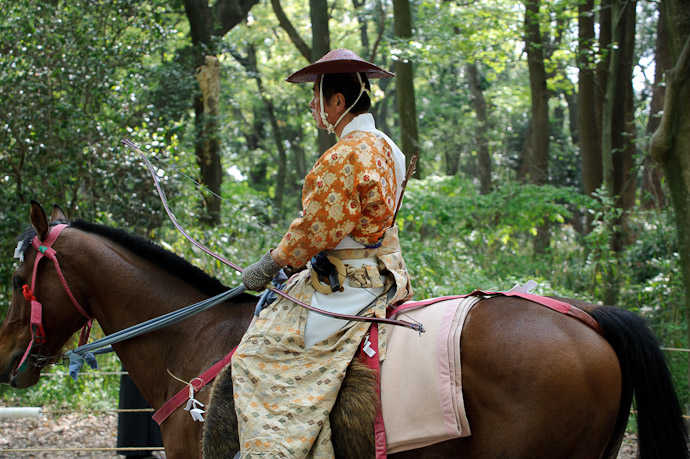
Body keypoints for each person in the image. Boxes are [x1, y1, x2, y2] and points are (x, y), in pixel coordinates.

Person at [233, 48, 413, 458]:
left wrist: (271, 263)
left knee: (258, 353)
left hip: (349, 284)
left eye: (317, 100)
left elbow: (316, 228)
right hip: (386, 271)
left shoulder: (344, 154)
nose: (313, 108)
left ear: (337, 102)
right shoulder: (389, 147)